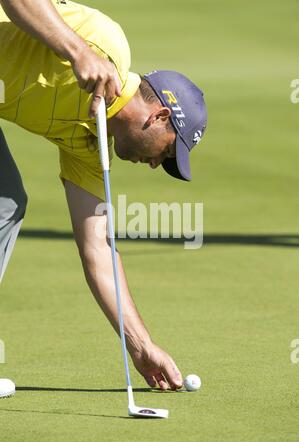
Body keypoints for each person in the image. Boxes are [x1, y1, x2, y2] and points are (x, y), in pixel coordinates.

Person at [0, 0, 207, 396]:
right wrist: (77, 50)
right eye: (165, 152)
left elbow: (98, 248)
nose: (153, 165)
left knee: (4, 202)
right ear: (160, 116)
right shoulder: (107, 43)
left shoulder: (92, 148)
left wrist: (140, 343)